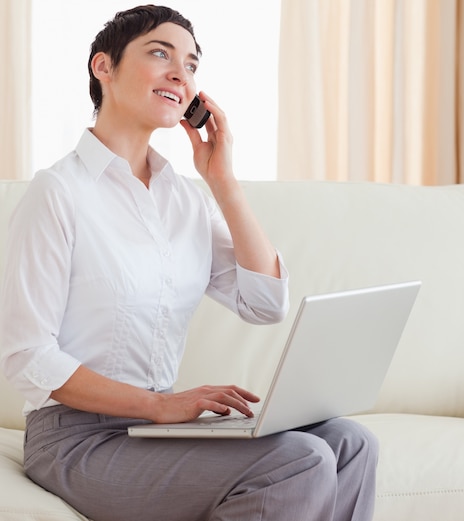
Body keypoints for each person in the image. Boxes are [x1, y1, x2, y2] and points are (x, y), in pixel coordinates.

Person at [0, 5, 378, 521]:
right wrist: (159, 404)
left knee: (352, 443)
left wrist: (222, 180)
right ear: (103, 67)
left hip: (153, 433)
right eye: (160, 54)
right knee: (300, 460)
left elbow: (265, 305)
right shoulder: (58, 192)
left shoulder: (185, 201)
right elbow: (27, 357)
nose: (181, 73)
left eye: (192, 64)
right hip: (76, 439)